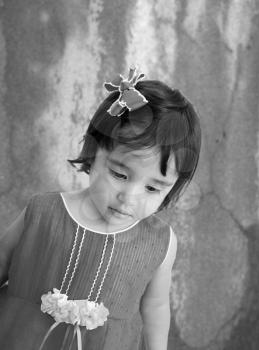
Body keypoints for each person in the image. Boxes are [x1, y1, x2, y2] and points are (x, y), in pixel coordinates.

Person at [0, 67, 201, 350]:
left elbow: (155, 306)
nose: (129, 197)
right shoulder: (43, 211)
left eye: (153, 188)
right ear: (94, 153)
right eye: (119, 174)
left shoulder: (161, 243)